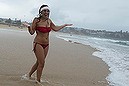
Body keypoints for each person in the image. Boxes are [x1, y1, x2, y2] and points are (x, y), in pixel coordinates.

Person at [22, 4, 72, 85]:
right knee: (42, 63)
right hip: (38, 43)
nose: (46, 12)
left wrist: (64, 25)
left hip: (46, 44)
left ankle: (29, 75)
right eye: (44, 11)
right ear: (41, 12)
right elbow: (32, 32)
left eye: (48, 11)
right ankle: (38, 81)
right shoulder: (36, 20)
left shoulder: (49, 21)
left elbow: (55, 28)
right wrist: (28, 26)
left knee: (39, 62)